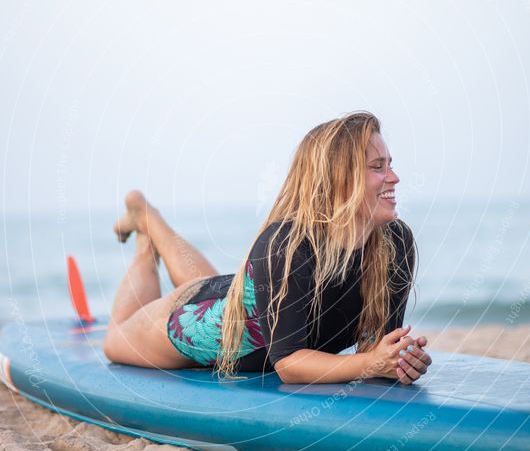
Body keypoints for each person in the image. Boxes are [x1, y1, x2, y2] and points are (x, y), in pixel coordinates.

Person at [103, 111, 432, 385]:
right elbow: (288, 364)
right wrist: (372, 364)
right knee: (114, 341)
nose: (394, 177)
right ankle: (146, 236)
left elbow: (375, 350)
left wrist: (397, 360)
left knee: (222, 291)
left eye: (389, 164)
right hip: (197, 324)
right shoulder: (284, 245)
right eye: (378, 167)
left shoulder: (394, 243)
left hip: (244, 301)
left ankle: (148, 218)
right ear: (338, 179)